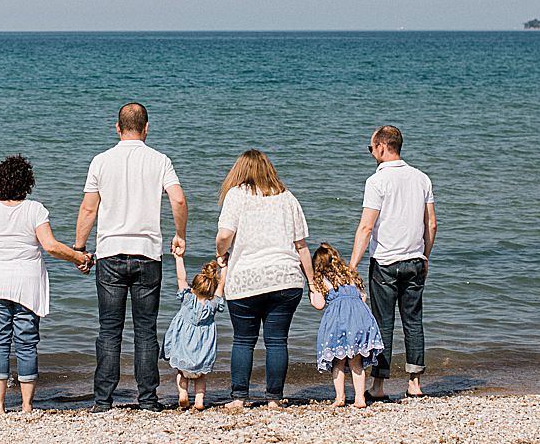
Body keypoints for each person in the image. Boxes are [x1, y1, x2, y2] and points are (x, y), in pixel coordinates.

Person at [73, 102, 189, 412]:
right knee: (145, 330)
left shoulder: (101, 161)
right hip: (148, 254)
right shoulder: (160, 160)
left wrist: (80, 247)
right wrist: (180, 235)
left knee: (109, 330)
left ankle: (102, 400)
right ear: (146, 127)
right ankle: (148, 399)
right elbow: (178, 199)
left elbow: (88, 208)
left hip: (110, 253)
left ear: (117, 127)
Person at [0, 155, 92, 415]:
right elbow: (51, 246)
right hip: (27, 284)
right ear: (27, 183)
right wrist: (78, 257)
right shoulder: (35, 210)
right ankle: (26, 405)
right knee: (26, 342)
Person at [214, 149, 315, 409]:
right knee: (277, 340)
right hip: (286, 278)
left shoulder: (236, 196)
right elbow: (301, 246)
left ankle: (239, 397)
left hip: (246, 279)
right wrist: (313, 283)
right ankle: (273, 398)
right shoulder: (287, 197)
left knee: (243, 340)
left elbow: (225, 235)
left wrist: (220, 254)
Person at [348, 125, 437, 400]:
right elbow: (431, 224)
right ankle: (415, 383)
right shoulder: (422, 178)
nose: (371, 153)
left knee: (383, 323)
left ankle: (378, 386)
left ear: (383, 147)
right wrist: (426, 256)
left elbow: (366, 228)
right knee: (413, 321)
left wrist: (351, 268)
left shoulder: (376, 182)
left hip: (385, 262)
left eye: (371, 148)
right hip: (414, 259)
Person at [310, 242, 383, 409]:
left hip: (338, 322)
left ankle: (340, 397)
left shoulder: (321, 279)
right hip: (360, 319)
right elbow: (363, 297)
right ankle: (360, 399)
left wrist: (311, 290)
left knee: (338, 362)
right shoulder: (350, 274)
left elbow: (319, 304)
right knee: (356, 362)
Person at [160, 245, 225, 411]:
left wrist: (178, 258)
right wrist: (224, 267)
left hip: (183, 345)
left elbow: (181, 279)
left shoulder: (188, 298)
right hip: (202, 348)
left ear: (193, 287)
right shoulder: (213, 304)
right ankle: (199, 400)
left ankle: (183, 395)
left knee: (182, 373)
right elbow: (221, 286)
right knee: (200, 376)